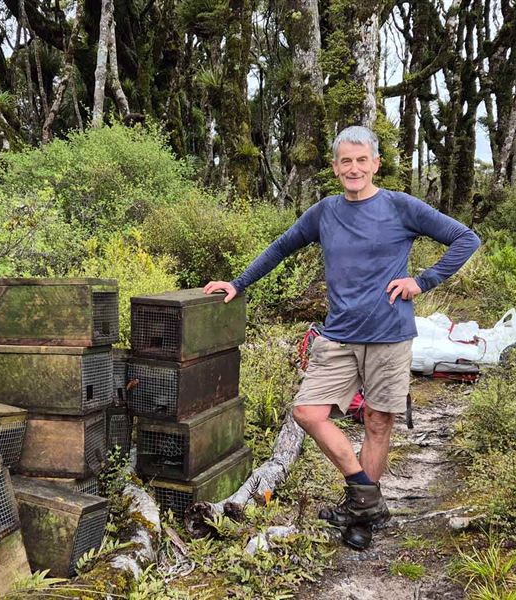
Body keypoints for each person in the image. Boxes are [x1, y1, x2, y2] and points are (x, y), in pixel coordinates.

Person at [203, 125, 480, 550]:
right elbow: (281, 247)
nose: (354, 168)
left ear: (375, 164)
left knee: (377, 420)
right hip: (338, 336)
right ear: (335, 168)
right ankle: (366, 496)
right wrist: (239, 283)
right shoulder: (325, 212)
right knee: (308, 412)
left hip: (389, 334)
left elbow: (466, 238)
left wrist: (422, 282)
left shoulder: (399, 206)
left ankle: (360, 518)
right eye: (345, 161)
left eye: (361, 160)